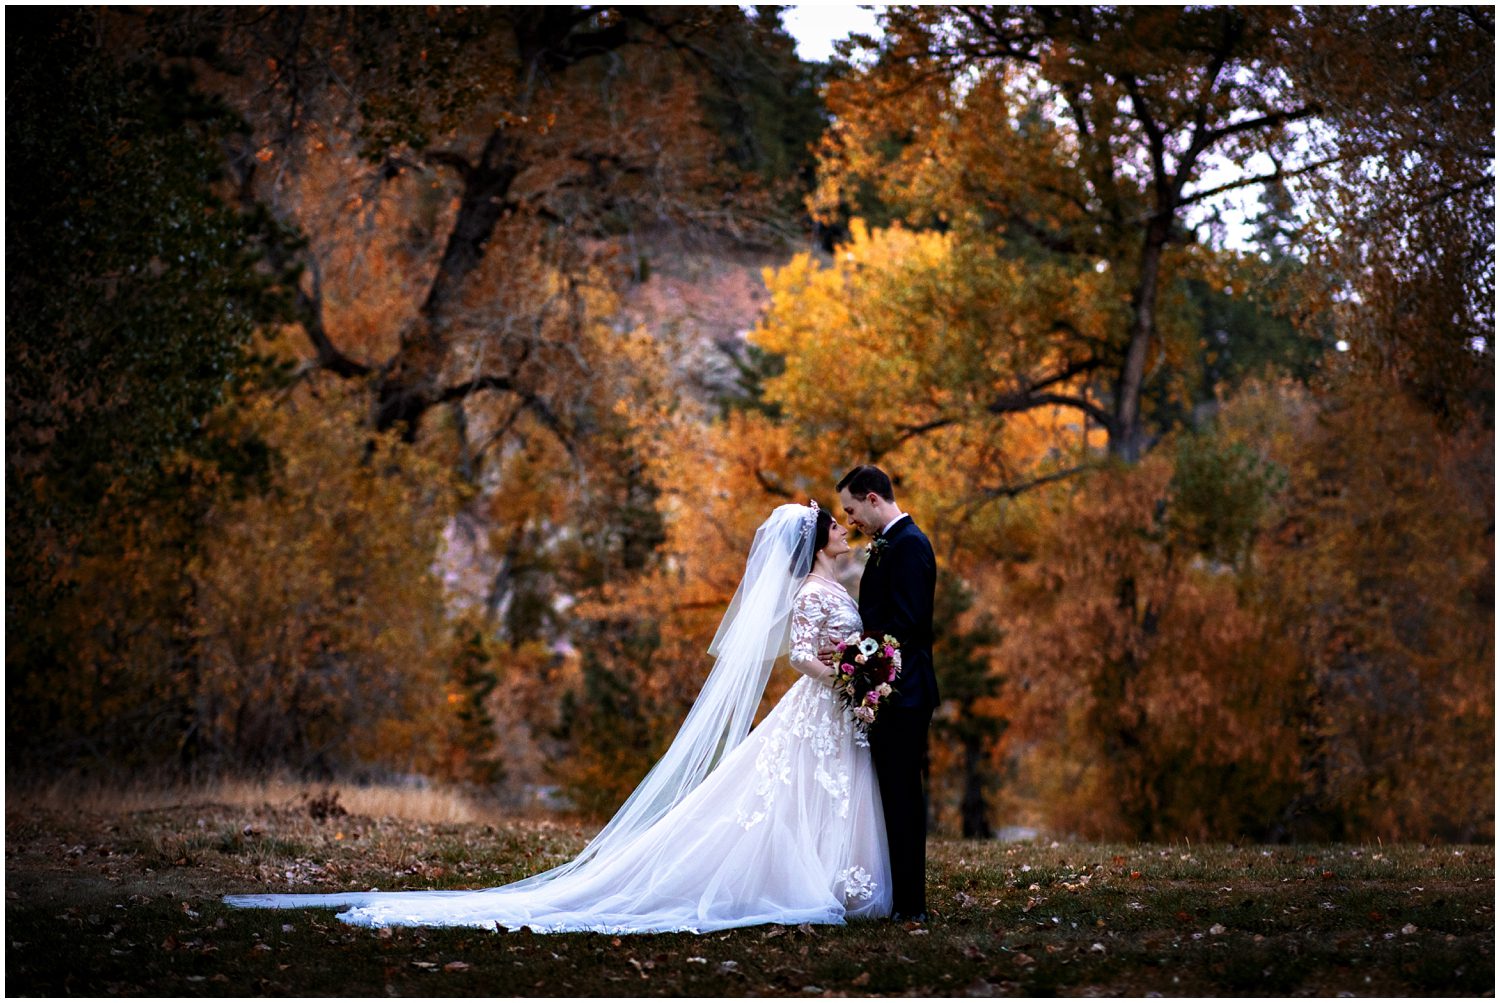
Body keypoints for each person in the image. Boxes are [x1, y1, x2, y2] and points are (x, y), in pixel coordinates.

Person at [225, 502, 891, 932]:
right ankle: (799, 878)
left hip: (836, 712)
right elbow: (805, 654)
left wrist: (861, 664)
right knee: (781, 794)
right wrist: (850, 670)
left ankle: (835, 872)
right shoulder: (809, 592)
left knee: (812, 793)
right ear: (814, 542)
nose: (842, 525)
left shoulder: (836, 579)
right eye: (832, 522)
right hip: (822, 701)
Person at [836, 465, 938, 923]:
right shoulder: (887, 545)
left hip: (906, 690)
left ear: (873, 498)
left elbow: (910, 623)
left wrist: (857, 651)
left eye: (852, 509)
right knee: (890, 796)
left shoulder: (910, 545)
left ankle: (912, 907)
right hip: (887, 688)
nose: (851, 519)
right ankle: (900, 900)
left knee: (903, 797)